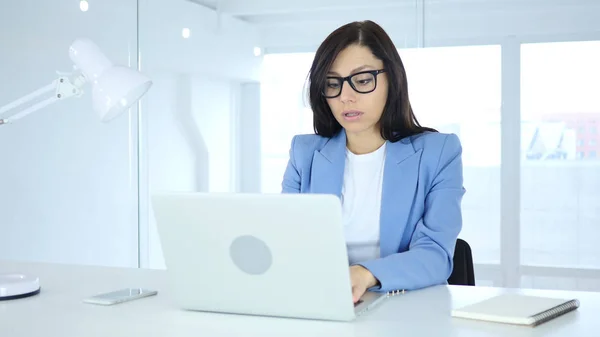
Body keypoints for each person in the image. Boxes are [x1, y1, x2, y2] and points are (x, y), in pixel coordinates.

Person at [281, 20, 465, 303]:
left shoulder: (438, 152)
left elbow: (436, 256)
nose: (346, 96)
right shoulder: (304, 154)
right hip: (322, 305)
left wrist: (364, 274)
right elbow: (286, 243)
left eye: (363, 80)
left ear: (392, 79)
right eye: (333, 84)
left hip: (405, 310)